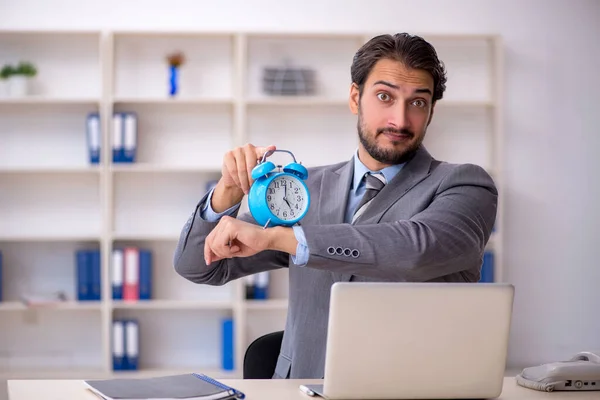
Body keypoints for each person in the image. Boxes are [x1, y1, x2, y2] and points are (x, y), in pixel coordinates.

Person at [173, 32, 497, 379]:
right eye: (385, 96)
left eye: (418, 102)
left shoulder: (465, 185)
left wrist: (283, 238)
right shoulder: (302, 191)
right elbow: (198, 267)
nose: (400, 120)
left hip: (408, 390)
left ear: (431, 111)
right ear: (355, 97)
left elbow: (417, 250)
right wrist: (227, 194)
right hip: (300, 388)